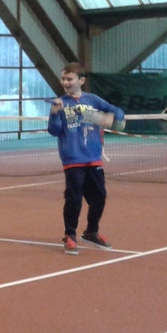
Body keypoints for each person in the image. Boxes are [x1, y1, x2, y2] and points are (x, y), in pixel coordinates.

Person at [47, 63, 125, 256]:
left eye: (70, 79)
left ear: (81, 80)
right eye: (63, 79)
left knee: (99, 197)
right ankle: (70, 235)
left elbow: (117, 111)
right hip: (73, 159)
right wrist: (55, 113)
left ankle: (91, 231)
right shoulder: (60, 103)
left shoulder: (93, 100)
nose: (65, 82)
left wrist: (111, 117)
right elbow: (54, 130)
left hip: (94, 157)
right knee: (74, 198)